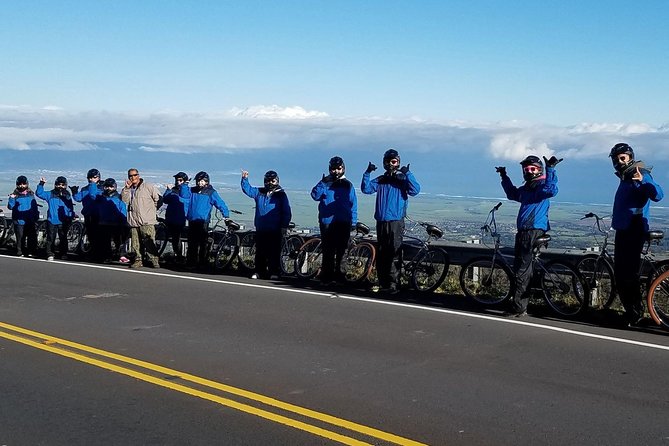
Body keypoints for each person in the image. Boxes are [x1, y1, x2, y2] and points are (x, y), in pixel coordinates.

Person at [496, 155, 561, 317]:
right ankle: (527, 298)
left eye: (533, 169)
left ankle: (519, 307)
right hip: (525, 232)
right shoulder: (527, 188)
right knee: (526, 269)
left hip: (532, 232)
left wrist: (551, 169)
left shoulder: (540, 186)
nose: (529, 172)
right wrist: (504, 176)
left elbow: (552, 190)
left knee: (521, 271)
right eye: (526, 169)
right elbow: (512, 194)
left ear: (539, 170)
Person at [609, 143, 664, 327]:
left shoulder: (639, 173)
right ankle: (632, 312)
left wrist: (643, 181)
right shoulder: (625, 177)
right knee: (623, 273)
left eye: (622, 157)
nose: (619, 161)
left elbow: (658, 195)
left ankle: (635, 314)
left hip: (633, 229)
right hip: (624, 229)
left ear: (630, 156)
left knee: (626, 274)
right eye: (616, 158)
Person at [361, 148, 420, 293]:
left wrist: (408, 173)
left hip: (396, 221)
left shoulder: (401, 180)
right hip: (381, 221)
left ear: (398, 162)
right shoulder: (381, 179)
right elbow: (366, 189)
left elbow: (415, 190)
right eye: (388, 161)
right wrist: (367, 173)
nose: (390, 164)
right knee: (382, 253)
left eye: (393, 161)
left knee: (394, 252)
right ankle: (383, 283)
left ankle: (394, 283)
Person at [310, 156, 358, 284]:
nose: (336, 171)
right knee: (328, 250)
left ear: (343, 168)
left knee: (342, 250)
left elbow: (353, 204)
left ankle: (340, 276)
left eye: (338, 168)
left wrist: (353, 222)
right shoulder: (326, 183)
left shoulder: (348, 185)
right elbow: (315, 195)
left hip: (343, 221)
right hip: (327, 221)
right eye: (333, 169)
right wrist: (323, 182)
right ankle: (327, 276)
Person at [241, 170, 292, 279]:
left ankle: (274, 272)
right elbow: (248, 190)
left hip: (275, 228)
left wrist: (284, 226)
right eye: (268, 181)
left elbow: (286, 211)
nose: (270, 183)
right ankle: (259, 271)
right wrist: (244, 179)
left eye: (273, 181)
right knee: (260, 252)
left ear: (277, 181)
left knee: (274, 252)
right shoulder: (260, 192)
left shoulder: (281, 195)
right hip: (261, 227)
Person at [180, 171, 230, 269]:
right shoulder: (192, 190)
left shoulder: (211, 192)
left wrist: (226, 215)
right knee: (192, 243)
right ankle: (191, 262)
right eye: (198, 181)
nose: (200, 183)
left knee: (202, 243)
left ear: (206, 181)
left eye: (202, 181)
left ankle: (202, 263)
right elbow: (183, 195)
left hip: (203, 221)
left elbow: (220, 203)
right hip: (192, 220)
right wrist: (185, 184)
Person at [121, 168, 162, 268]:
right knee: (135, 243)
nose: (133, 177)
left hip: (146, 220)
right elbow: (124, 200)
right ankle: (138, 260)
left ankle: (154, 260)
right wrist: (126, 189)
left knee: (149, 241)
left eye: (135, 175)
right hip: (134, 220)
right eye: (130, 176)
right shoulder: (128, 189)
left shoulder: (147, 186)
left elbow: (159, 199)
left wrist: (152, 210)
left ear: (138, 175)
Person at [36, 176, 75, 260]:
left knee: (63, 238)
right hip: (52, 220)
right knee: (51, 238)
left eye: (62, 185)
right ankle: (50, 253)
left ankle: (63, 253)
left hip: (63, 220)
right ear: (55, 185)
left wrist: (71, 215)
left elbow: (70, 207)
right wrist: (41, 184)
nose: (60, 186)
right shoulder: (50, 194)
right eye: (58, 184)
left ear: (65, 185)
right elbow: (39, 193)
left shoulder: (67, 195)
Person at [72, 168, 102, 260]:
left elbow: (94, 196)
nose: (91, 179)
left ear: (98, 178)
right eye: (89, 177)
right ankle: (91, 252)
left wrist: (93, 185)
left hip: (98, 214)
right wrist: (74, 192)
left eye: (94, 177)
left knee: (98, 235)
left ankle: (98, 253)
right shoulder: (85, 189)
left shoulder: (102, 188)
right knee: (90, 234)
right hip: (88, 214)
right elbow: (78, 198)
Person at [96, 178, 128, 263]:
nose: (109, 189)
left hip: (116, 223)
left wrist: (123, 221)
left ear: (115, 187)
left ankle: (121, 255)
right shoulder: (101, 198)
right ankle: (107, 256)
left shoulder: (118, 197)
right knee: (105, 241)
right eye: (107, 187)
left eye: (111, 187)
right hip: (104, 222)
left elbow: (123, 209)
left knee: (119, 240)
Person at [161, 172, 189, 264]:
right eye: (177, 180)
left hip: (179, 219)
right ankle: (177, 256)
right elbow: (165, 200)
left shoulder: (187, 191)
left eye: (180, 180)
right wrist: (168, 190)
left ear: (184, 181)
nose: (177, 182)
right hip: (170, 218)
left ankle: (179, 256)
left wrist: (184, 186)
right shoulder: (173, 190)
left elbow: (184, 196)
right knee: (173, 238)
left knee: (176, 238)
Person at [7, 175, 39, 257]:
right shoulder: (15, 195)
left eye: (23, 184)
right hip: (19, 220)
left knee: (31, 236)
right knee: (20, 237)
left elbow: (34, 206)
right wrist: (11, 199)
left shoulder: (31, 194)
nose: (22, 186)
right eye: (20, 184)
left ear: (27, 184)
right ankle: (20, 251)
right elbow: (10, 207)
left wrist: (36, 216)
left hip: (30, 219)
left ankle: (31, 251)